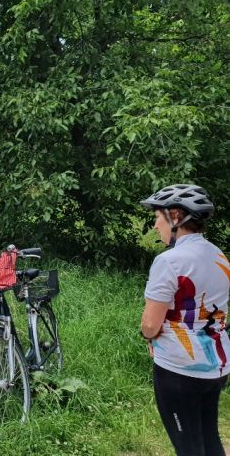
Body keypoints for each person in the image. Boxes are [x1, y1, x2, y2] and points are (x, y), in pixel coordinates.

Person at [140, 184, 230, 456]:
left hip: (179, 368)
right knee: (209, 439)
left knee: (188, 448)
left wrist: (147, 336)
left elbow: (150, 325)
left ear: (176, 216)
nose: (155, 225)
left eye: (158, 216)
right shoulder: (218, 255)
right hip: (216, 364)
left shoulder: (169, 261)